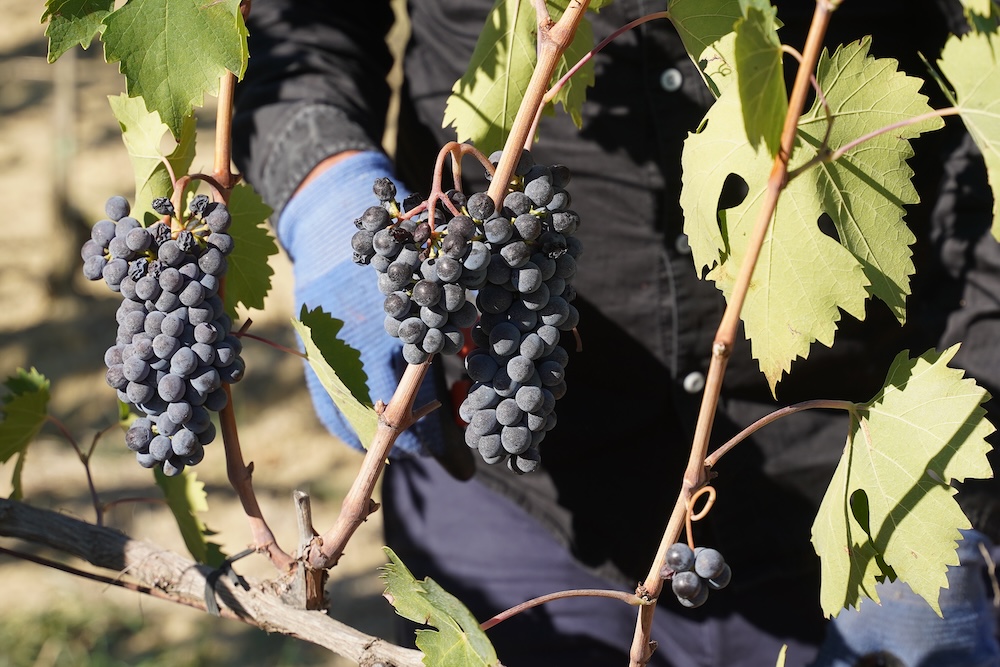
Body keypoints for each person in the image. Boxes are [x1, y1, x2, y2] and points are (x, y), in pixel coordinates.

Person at [232, 1, 1000, 665]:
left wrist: (951, 493)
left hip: (851, 496)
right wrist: (324, 186)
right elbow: (300, 26)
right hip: (507, 496)